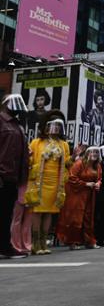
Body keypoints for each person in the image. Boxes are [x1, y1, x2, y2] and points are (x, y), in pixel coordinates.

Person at [25, 110, 71, 255]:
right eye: (53, 125)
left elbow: (67, 163)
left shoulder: (63, 144)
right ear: (46, 126)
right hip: (39, 182)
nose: (56, 129)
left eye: (58, 126)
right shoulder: (36, 142)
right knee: (37, 211)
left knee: (49, 212)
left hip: (55, 183)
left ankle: (44, 243)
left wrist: (74, 157)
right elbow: (30, 161)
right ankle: (35, 243)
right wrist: (28, 157)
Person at [1, 94, 29, 258]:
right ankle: (4, 247)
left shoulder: (17, 125)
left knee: (6, 214)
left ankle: (4, 246)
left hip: (13, 176)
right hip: (2, 175)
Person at [57, 147, 102, 250]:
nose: (94, 154)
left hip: (90, 195)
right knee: (76, 217)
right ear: (87, 153)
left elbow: (99, 178)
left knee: (88, 217)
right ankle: (73, 242)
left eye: (96, 152)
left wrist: (98, 184)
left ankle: (89, 241)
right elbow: (72, 178)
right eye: (92, 152)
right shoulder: (79, 163)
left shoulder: (97, 165)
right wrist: (85, 184)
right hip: (77, 194)